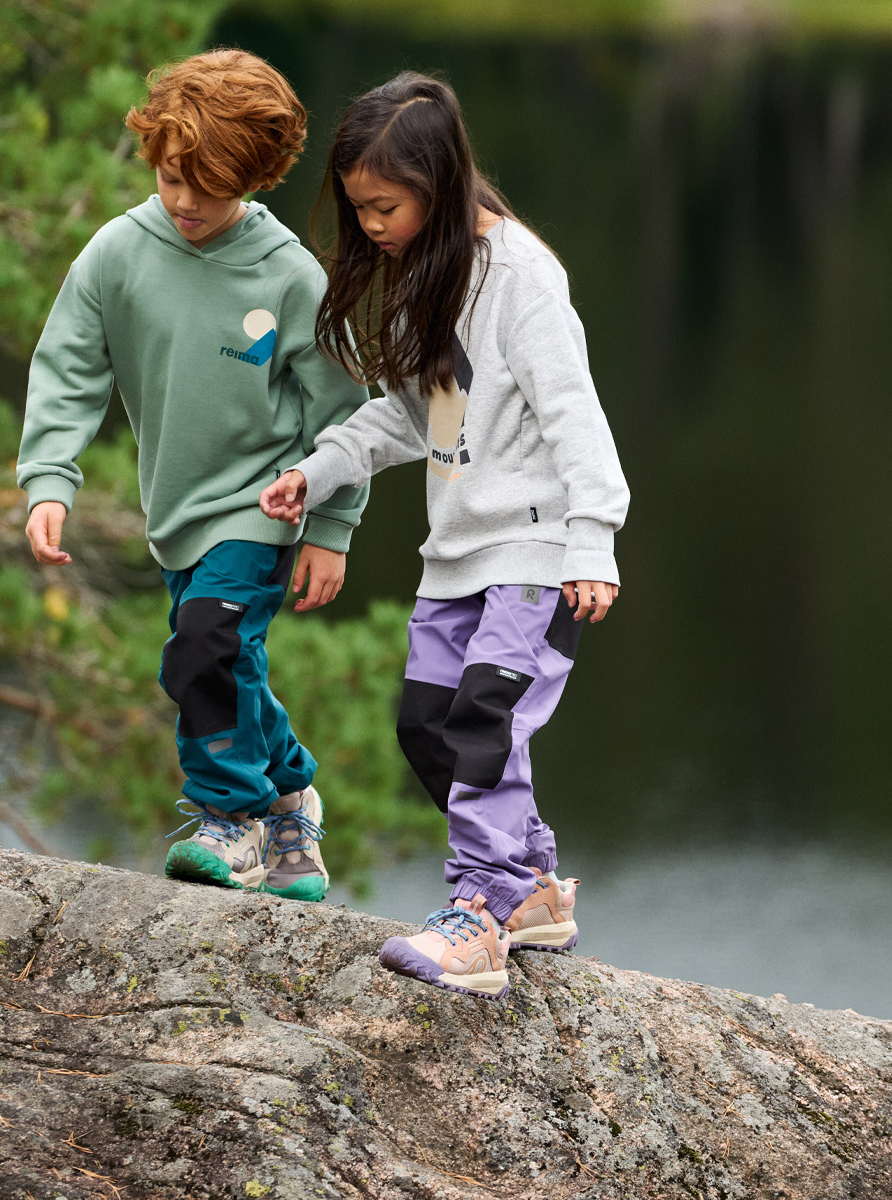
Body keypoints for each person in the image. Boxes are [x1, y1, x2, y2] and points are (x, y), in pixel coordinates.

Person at [260, 72, 629, 999]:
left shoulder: (524, 282)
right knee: (428, 726)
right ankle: (536, 886)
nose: (373, 226)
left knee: (483, 725)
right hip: (456, 558)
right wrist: (319, 469)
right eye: (360, 210)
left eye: (385, 206)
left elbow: (577, 418)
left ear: (437, 178)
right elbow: (406, 418)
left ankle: (483, 915)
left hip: (539, 555)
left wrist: (594, 541)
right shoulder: (431, 276)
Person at [18, 49, 369, 902]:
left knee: (206, 645)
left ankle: (232, 820)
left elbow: (344, 411)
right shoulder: (118, 253)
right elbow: (69, 366)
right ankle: (290, 791)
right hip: (176, 510)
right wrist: (49, 479)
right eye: (174, 178)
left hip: (264, 504)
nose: (184, 202)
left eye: (208, 190)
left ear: (257, 178)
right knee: (228, 658)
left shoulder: (289, 276)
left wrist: (329, 526)